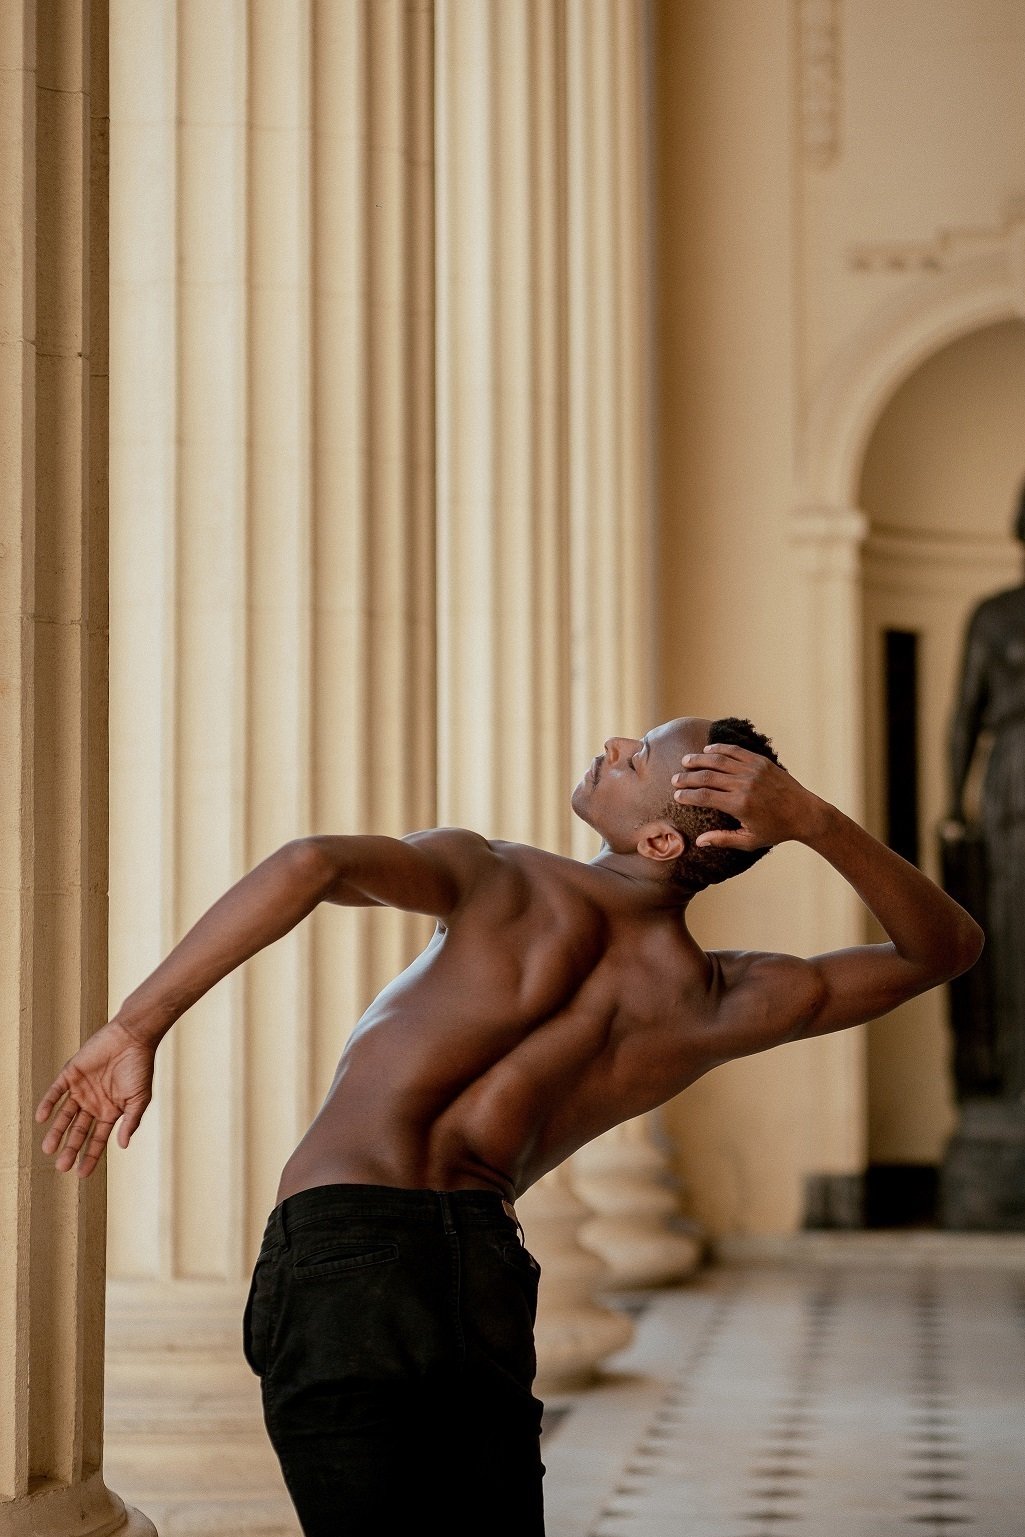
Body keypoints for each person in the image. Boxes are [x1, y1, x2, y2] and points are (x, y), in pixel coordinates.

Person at [36, 715, 983, 1536]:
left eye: (638, 756)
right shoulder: (719, 998)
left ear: (660, 841)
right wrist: (812, 823)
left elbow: (309, 863)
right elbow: (946, 948)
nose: (613, 745)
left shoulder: (495, 876)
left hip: (345, 1249)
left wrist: (135, 1024)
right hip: (480, 1265)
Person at [946, 480, 1025, 1099]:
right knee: (1012, 925)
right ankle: (1016, 1071)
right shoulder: (995, 615)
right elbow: (965, 717)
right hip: (1016, 775)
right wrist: (953, 805)